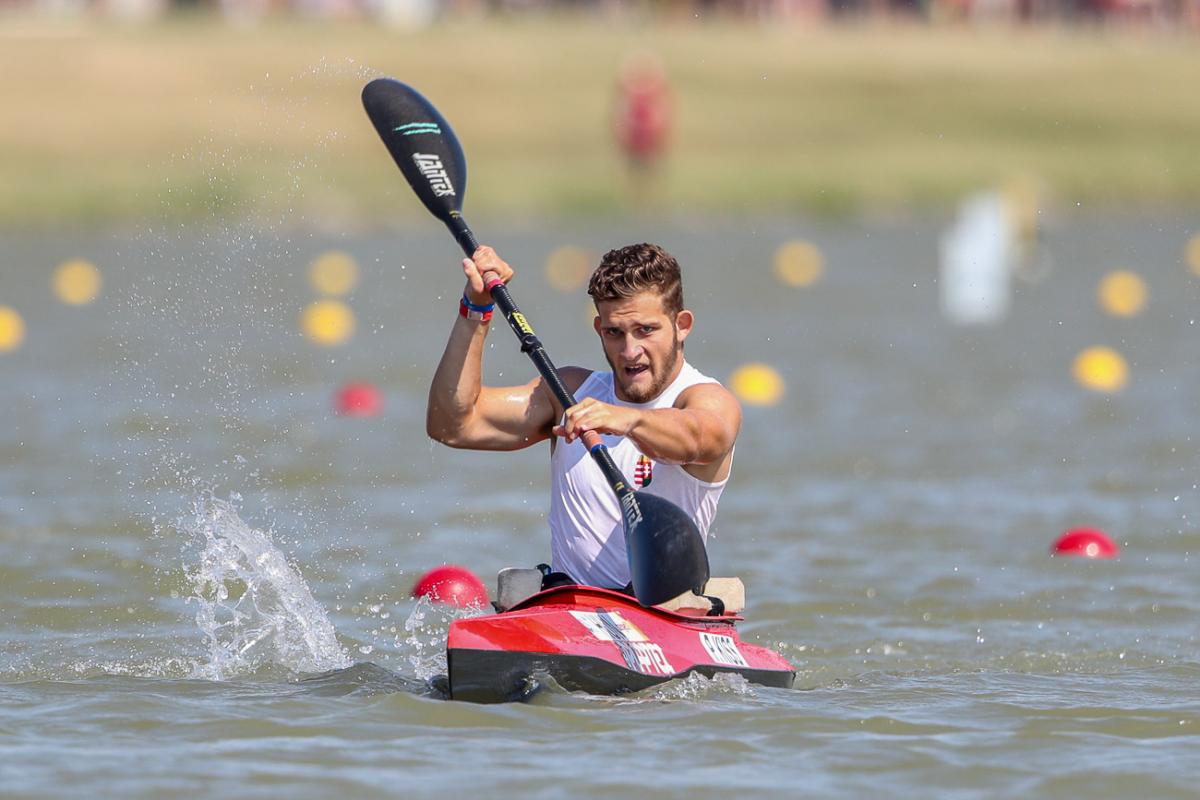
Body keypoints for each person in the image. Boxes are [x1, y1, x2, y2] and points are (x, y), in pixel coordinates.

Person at [426, 242, 741, 591]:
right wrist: (476, 308)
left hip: (663, 613)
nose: (630, 350)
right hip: (571, 609)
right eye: (614, 332)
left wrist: (628, 420)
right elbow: (452, 425)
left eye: (646, 330)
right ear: (598, 329)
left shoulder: (707, 399)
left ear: (682, 325)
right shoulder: (571, 393)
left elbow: (697, 438)